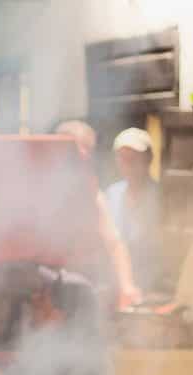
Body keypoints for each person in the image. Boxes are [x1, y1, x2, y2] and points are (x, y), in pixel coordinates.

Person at [55, 119, 142, 309]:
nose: (85, 155)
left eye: (89, 149)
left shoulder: (91, 193)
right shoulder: (41, 185)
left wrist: (126, 285)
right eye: (79, 148)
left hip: (81, 287)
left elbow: (114, 241)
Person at [105, 127, 165, 294]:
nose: (128, 164)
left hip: (154, 286)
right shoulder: (112, 194)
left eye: (134, 158)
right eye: (123, 158)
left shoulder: (162, 197)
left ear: (149, 159)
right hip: (117, 286)